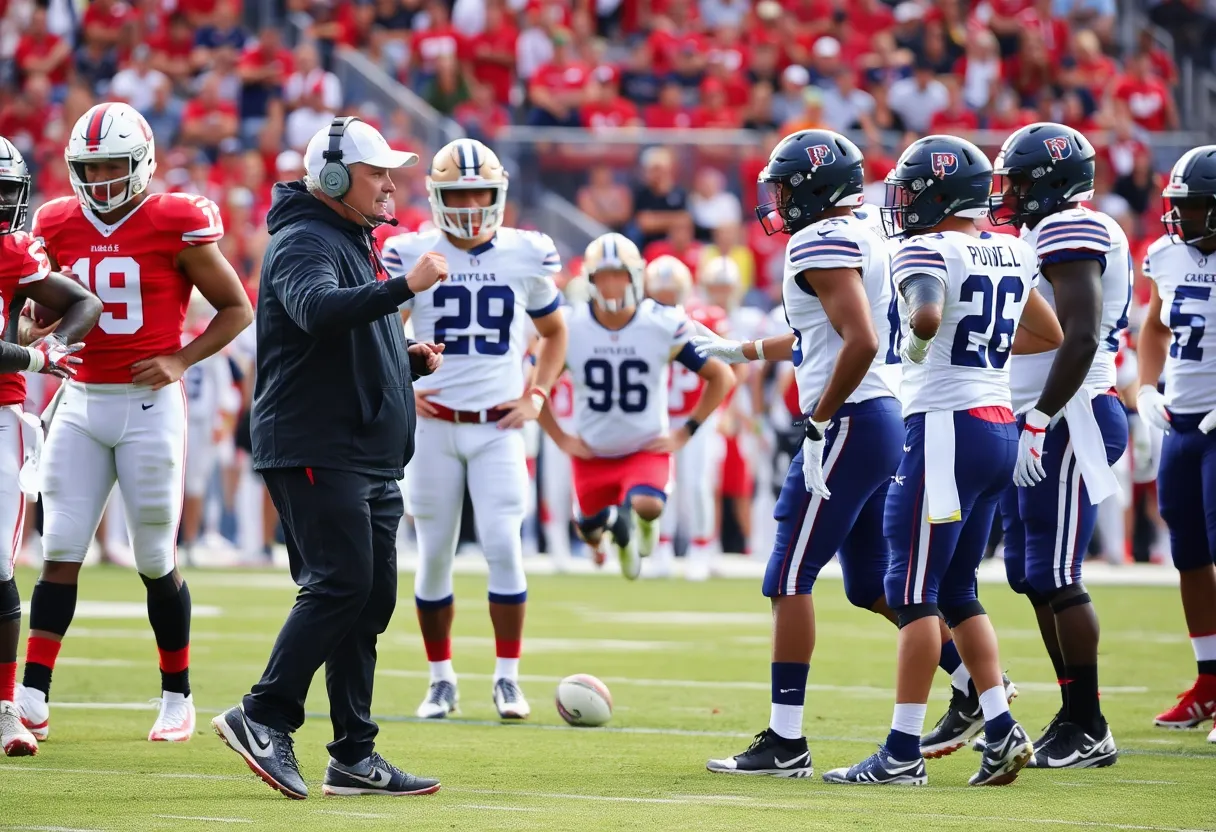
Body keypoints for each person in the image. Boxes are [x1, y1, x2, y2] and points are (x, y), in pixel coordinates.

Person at [212, 117, 445, 800]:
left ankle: (353, 756)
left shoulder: (347, 236)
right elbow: (316, 310)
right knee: (341, 583)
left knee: (367, 600)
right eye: (378, 173)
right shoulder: (304, 238)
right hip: (316, 443)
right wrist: (405, 289)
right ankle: (263, 713)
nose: (391, 184)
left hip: (360, 449)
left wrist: (402, 360)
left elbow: (341, 337)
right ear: (337, 178)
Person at [824, 134, 1061, 787]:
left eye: (911, 191)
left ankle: (901, 752)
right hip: (997, 424)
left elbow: (926, 314)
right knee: (958, 591)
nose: (901, 204)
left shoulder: (927, 249)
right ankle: (1001, 728)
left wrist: (926, 345)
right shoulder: (1012, 249)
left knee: (912, 592)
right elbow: (1048, 332)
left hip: (944, 427)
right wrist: (981, 347)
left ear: (938, 194)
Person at [14, 103, 253, 745]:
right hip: (80, 400)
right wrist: (35, 329)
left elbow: (236, 308)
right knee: (60, 547)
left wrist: (181, 358)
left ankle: (177, 695)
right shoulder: (56, 220)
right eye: (89, 168)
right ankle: (32, 695)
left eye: (112, 166)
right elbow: (37, 311)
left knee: (153, 555)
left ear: (142, 162)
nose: (100, 179)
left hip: (149, 404)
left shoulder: (176, 218)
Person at [700, 130, 904, 777]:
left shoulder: (819, 240)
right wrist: (745, 351)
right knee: (870, 583)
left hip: (851, 418)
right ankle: (977, 686)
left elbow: (861, 340)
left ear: (815, 188)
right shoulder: (867, 230)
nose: (779, 200)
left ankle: (786, 742)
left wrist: (818, 421)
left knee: (788, 575)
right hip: (880, 415)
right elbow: (823, 333)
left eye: (786, 187)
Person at [382, 138, 569, 722]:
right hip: (434, 425)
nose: (469, 206)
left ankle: (507, 678)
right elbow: (382, 332)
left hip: (497, 426)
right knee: (434, 552)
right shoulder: (410, 251)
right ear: (436, 197)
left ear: (499, 195)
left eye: (480, 194)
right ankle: (440, 680)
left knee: (504, 545)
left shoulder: (525, 252)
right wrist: (406, 378)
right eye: (458, 195)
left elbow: (555, 333)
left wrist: (535, 396)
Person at [976, 122, 1130, 769]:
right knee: (1029, 573)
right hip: (1043, 417)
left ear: (1050, 182)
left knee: (1056, 573)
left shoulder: (1071, 227)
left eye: (1017, 181)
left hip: (1071, 415)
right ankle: (1074, 713)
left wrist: (1040, 419)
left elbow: (1082, 334)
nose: (1007, 192)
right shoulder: (1042, 232)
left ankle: (1089, 724)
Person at [538, 233, 735, 579]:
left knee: (650, 504)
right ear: (590, 280)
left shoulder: (659, 322)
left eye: (619, 275)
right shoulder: (570, 325)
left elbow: (722, 376)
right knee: (589, 530)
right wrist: (561, 438)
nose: (612, 285)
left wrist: (685, 431)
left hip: (644, 444)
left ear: (635, 277)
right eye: (603, 276)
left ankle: (648, 528)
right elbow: (535, 387)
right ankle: (618, 530)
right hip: (593, 448)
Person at [0, 137, 103, 757]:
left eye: (3, 193)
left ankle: (4, 707)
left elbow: (86, 302)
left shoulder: (15, 252)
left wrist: (54, 346)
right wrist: (38, 356)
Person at [1137, 146, 1216, 744]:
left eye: (1192, 206)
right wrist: (1145, 386)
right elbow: (1155, 326)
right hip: (1181, 423)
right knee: (1188, 553)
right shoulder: (1165, 254)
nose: (1179, 216)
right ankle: (1209, 680)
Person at [645, 255, 729, 580]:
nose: (665, 298)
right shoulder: (643, 321)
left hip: (698, 414)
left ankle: (700, 549)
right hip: (660, 415)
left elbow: (729, 365)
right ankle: (662, 549)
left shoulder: (702, 319)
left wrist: (722, 408)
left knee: (696, 484)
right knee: (662, 485)